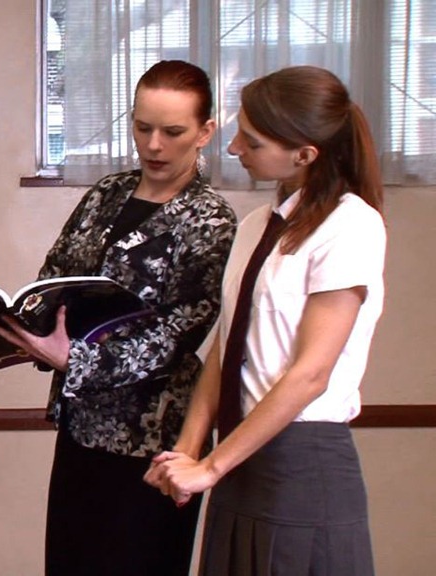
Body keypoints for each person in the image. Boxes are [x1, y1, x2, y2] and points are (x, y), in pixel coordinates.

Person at [0, 60, 237, 575]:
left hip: (152, 443)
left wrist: (75, 360)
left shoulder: (210, 219)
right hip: (81, 429)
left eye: (172, 132)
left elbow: (177, 334)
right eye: (142, 127)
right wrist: (22, 325)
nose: (153, 145)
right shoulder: (106, 193)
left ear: (205, 132)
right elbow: (54, 276)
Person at [145, 65, 385, 575]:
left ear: (304, 155)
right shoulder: (257, 225)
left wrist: (211, 467)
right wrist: (186, 452)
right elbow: (228, 345)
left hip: (302, 462)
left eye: (251, 141)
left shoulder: (351, 225)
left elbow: (311, 374)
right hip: (239, 458)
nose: (234, 148)